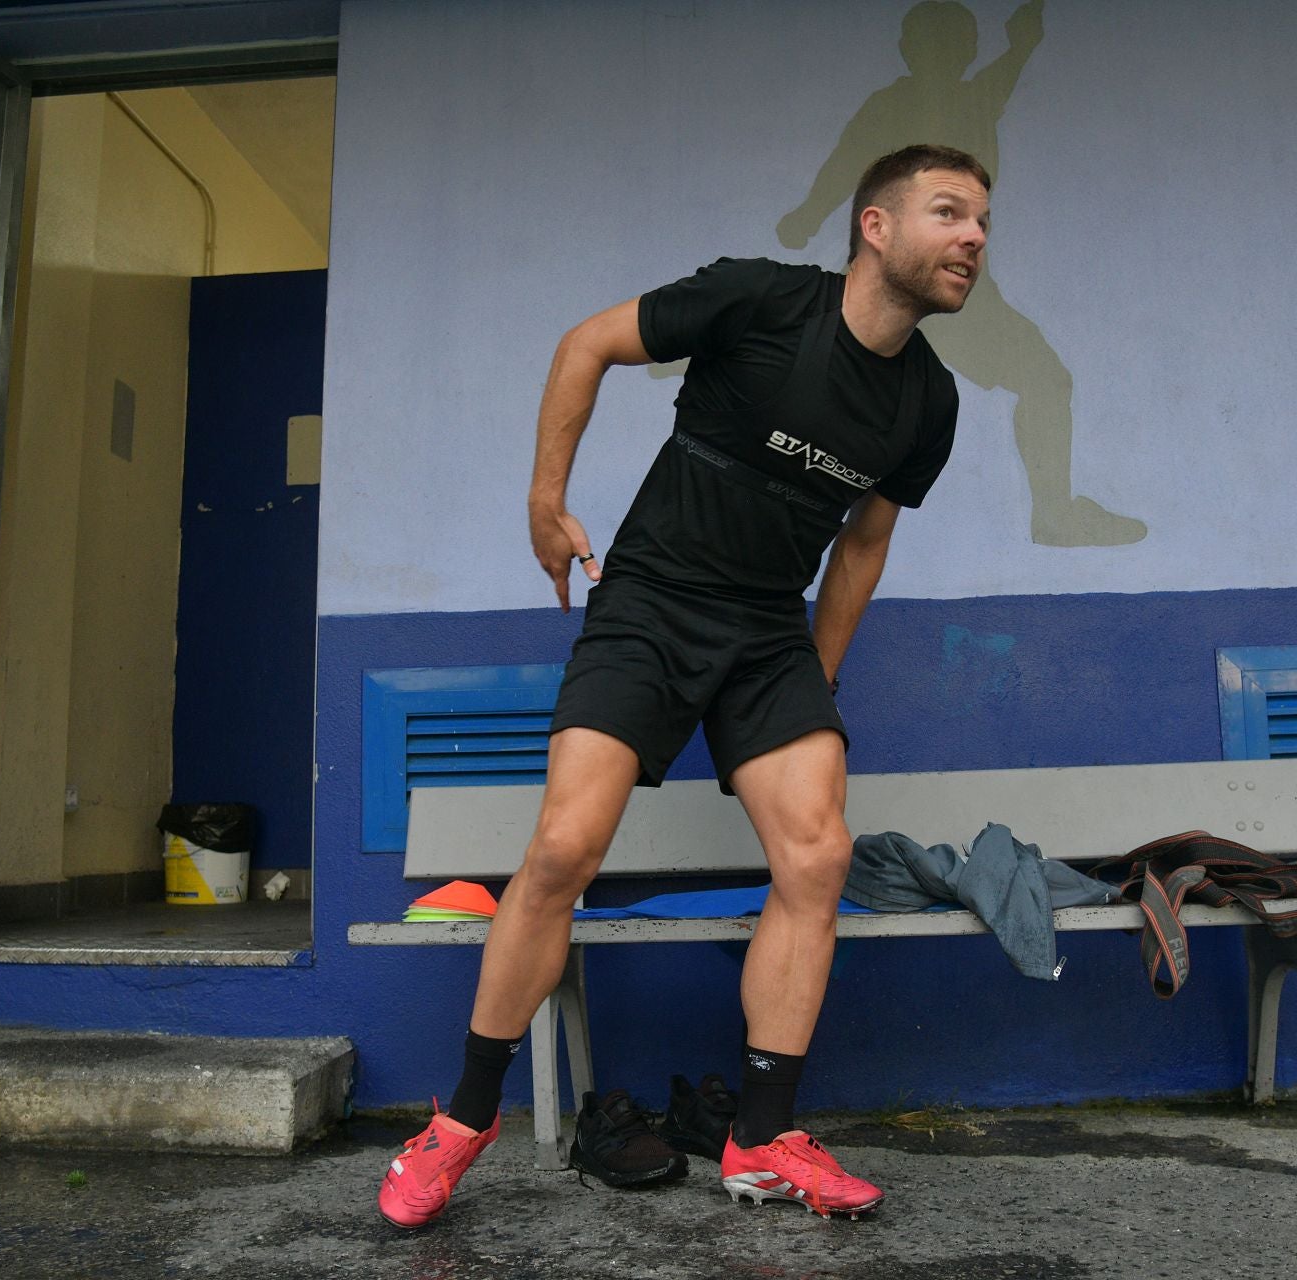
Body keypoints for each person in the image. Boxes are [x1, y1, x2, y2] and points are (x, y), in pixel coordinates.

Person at [378, 143, 991, 1229]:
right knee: (565, 845)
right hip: (652, 600)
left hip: (766, 633)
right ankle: (462, 1119)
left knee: (820, 850)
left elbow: (861, 545)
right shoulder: (757, 298)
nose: (975, 239)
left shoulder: (928, 402)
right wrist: (544, 499)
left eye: (984, 223)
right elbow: (589, 344)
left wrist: (818, 679)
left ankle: (763, 1135)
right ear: (877, 228)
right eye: (950, 213)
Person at [777, 0, 1145, 547]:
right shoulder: (895, 104)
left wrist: (1024, 43)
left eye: (963, 40)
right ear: (912, 48)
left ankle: (1053, 512)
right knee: (795, 370)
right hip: (890, 292)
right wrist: (808, 214)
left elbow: (1008, 69)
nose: (972, 230)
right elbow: (844, 167)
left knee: (1045, 380)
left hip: (969, 305)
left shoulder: (975, 98)